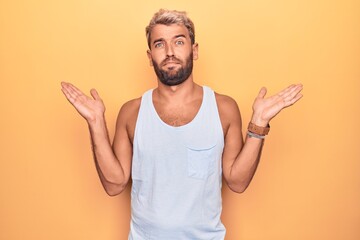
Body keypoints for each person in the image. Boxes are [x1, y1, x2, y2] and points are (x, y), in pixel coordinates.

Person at [61, 9, 303, 240]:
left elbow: (237, 181)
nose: (169, 52)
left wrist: (259, 124)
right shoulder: (131, 113)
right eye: (159, 44)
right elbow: (114, 185)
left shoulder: (223, 109)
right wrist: (95, 123)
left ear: (194, 50)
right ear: (150, 56)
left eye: (178, 42)